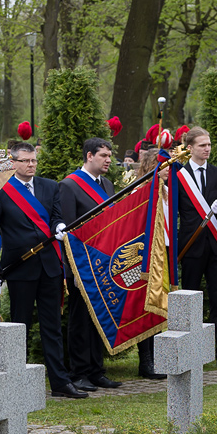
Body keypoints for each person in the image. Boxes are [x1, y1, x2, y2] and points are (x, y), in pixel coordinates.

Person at [0, 140, 82, 398]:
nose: (31, 165)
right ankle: (16, 381)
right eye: (25, 161)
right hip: (21, 267)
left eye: (33, 161)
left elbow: (56, 216)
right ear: (13, 163)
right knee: (20, 326)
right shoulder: (0, 190)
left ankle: (60, 383)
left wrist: (59, 227)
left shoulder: (49, 186)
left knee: (51, 326)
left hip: (50, 266)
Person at [55, 138, 123, 390]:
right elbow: (69, 233)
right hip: (82, 265)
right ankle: (79, 371)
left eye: (110, 155)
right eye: (104, 155)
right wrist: (72, 270)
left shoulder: (107, 184)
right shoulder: (69, 186)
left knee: (100, 318)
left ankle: (97, 370)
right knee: (80, 319)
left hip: (104, 263)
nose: (108, 160)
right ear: (89, 156)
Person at [174, 128, 217, 369]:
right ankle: (190, 352)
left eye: (209, 144)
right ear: (190, 148)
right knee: (190, 300)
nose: (207, 148)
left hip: (216, 245)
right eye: (202, 145)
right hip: (191, 246)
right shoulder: (180, 176)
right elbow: (174, 212)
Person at [133, 146, 167, 380]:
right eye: (164, 166)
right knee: (145, 306)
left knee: (161, 306)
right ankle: (145, 360)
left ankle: (157, 356)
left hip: (164, 252)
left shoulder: (166, 190)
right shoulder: (141, 189)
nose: (168, 171)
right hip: (146, 256)